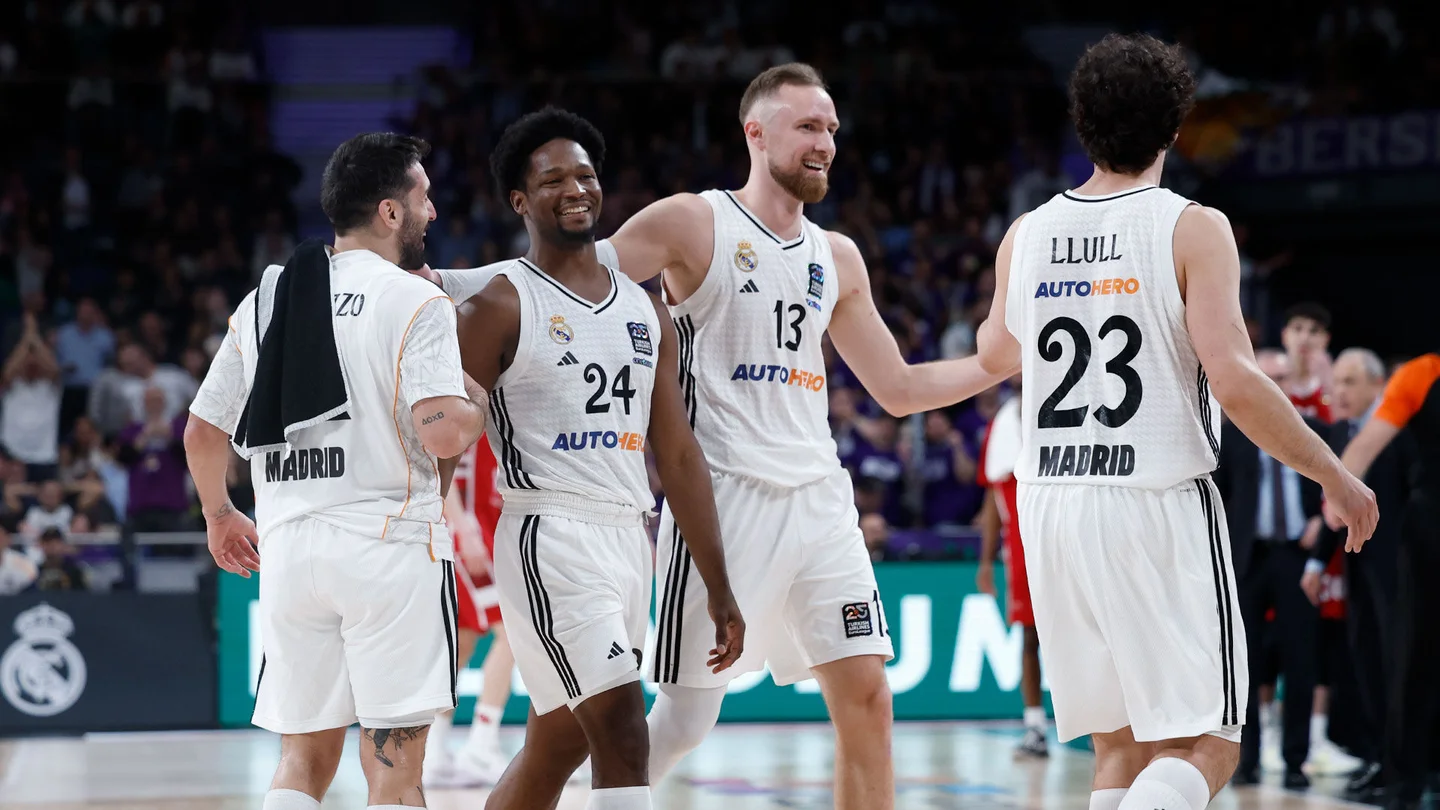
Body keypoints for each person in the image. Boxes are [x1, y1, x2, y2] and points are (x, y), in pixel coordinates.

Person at [945, 33, 1376, 810]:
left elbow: (995, 351)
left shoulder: (1025, 234)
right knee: (1209, 742)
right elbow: (1235, 381)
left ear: (1083, 123)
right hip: (1153, 498)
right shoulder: (1191, 226)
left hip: (1052, 508)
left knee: (1119, 745)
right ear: (1176, 128)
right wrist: (1333, 472)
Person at [593, 62, 1014, 809]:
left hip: (820, 500)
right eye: (808, 127)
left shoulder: (837, 256)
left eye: (831, 129)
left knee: (867, 697)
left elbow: (898, 388)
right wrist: (456, 295)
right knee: (686, 721)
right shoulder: (693, 221)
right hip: (724, 500)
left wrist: (994, 364)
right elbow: (564, 281)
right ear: (755, 133)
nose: (825, 143)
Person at [185, 132, 490, 810]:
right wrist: (477, 401)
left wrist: (219, 514)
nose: (433, 212)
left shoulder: (267, 298)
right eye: (424, 198)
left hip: (290, 549)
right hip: (387, 548)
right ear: (390, 211)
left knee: (301, 760)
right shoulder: (414, 299)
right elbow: (442, 432)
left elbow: (202, 431)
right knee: (395, 773)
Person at [454, 108, 743, 810]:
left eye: (584, 174)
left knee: (556, 748)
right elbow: (444, 441)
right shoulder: (498, 306)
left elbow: (678, 454)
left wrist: (719, 584)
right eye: (553, 179)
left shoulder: (646, 311)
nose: (575, 189)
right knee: (623, 730)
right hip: (548, 533)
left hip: (627, 536)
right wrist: (423, 540)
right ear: (520, 200)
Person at [1329, 352, 1440, 810]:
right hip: (1429, 532)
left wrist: (1335, 496)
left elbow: (1361, 450)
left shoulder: (1422, 372)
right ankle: (1405, 779)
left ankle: (1406, 781)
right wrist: (1337, 495)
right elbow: (1363, 448)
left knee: (1414, 658)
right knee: (1411, 657)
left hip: (1428, 528)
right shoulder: (1421, 373)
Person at [1301, 348, 1411, 799]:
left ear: (1377, 385)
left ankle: (1407, 767)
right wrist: (1315, 562)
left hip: (1403, 569)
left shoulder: (1401, 432)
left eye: (1349, 382)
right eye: (1337, 382)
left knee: (1399, 666)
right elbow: (1335, 509)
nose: (1339, 391)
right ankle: (1382, 759)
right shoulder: (1339, 433)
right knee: (1366, 661)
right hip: (1358, 566)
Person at [1213, 357, 1326, 788]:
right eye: (1267, 378)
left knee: (1301, 659)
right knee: (1245, 663)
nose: (1275, 386)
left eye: (1281, 379)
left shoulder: (1311, 431)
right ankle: (1248, 760)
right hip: (1248, 559)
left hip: (1297, 557)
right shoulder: (1230, 436)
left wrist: (1319, 526)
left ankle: (1296, 761)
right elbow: (1217, 499)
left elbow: (1327, 495)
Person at [423, 439, 520, 787]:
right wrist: (462, 526)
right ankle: (482, 742)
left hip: (487, 526)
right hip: (471, 530)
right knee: (513, 633)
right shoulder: (469, 409)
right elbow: (441, 463)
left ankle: (433, 749)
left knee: (462, 641)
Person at [975, 374, 1047, 758]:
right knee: (1029, 638)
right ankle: (1035, 727)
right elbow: (992, 498)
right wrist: (985, 562)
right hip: (1021, 550)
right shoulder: (1002, 426)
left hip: (1064, 539)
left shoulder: (1069, 413)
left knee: (1089, 636)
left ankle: (1103, 725)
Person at [1279, 303, 1333, 423]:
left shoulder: (1338, 380)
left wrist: (1328, 386)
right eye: (1297, 328)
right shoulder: (1269, 375)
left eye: (1314, 331)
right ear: (1284, 335)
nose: (1305, 338)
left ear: (1326, 339)